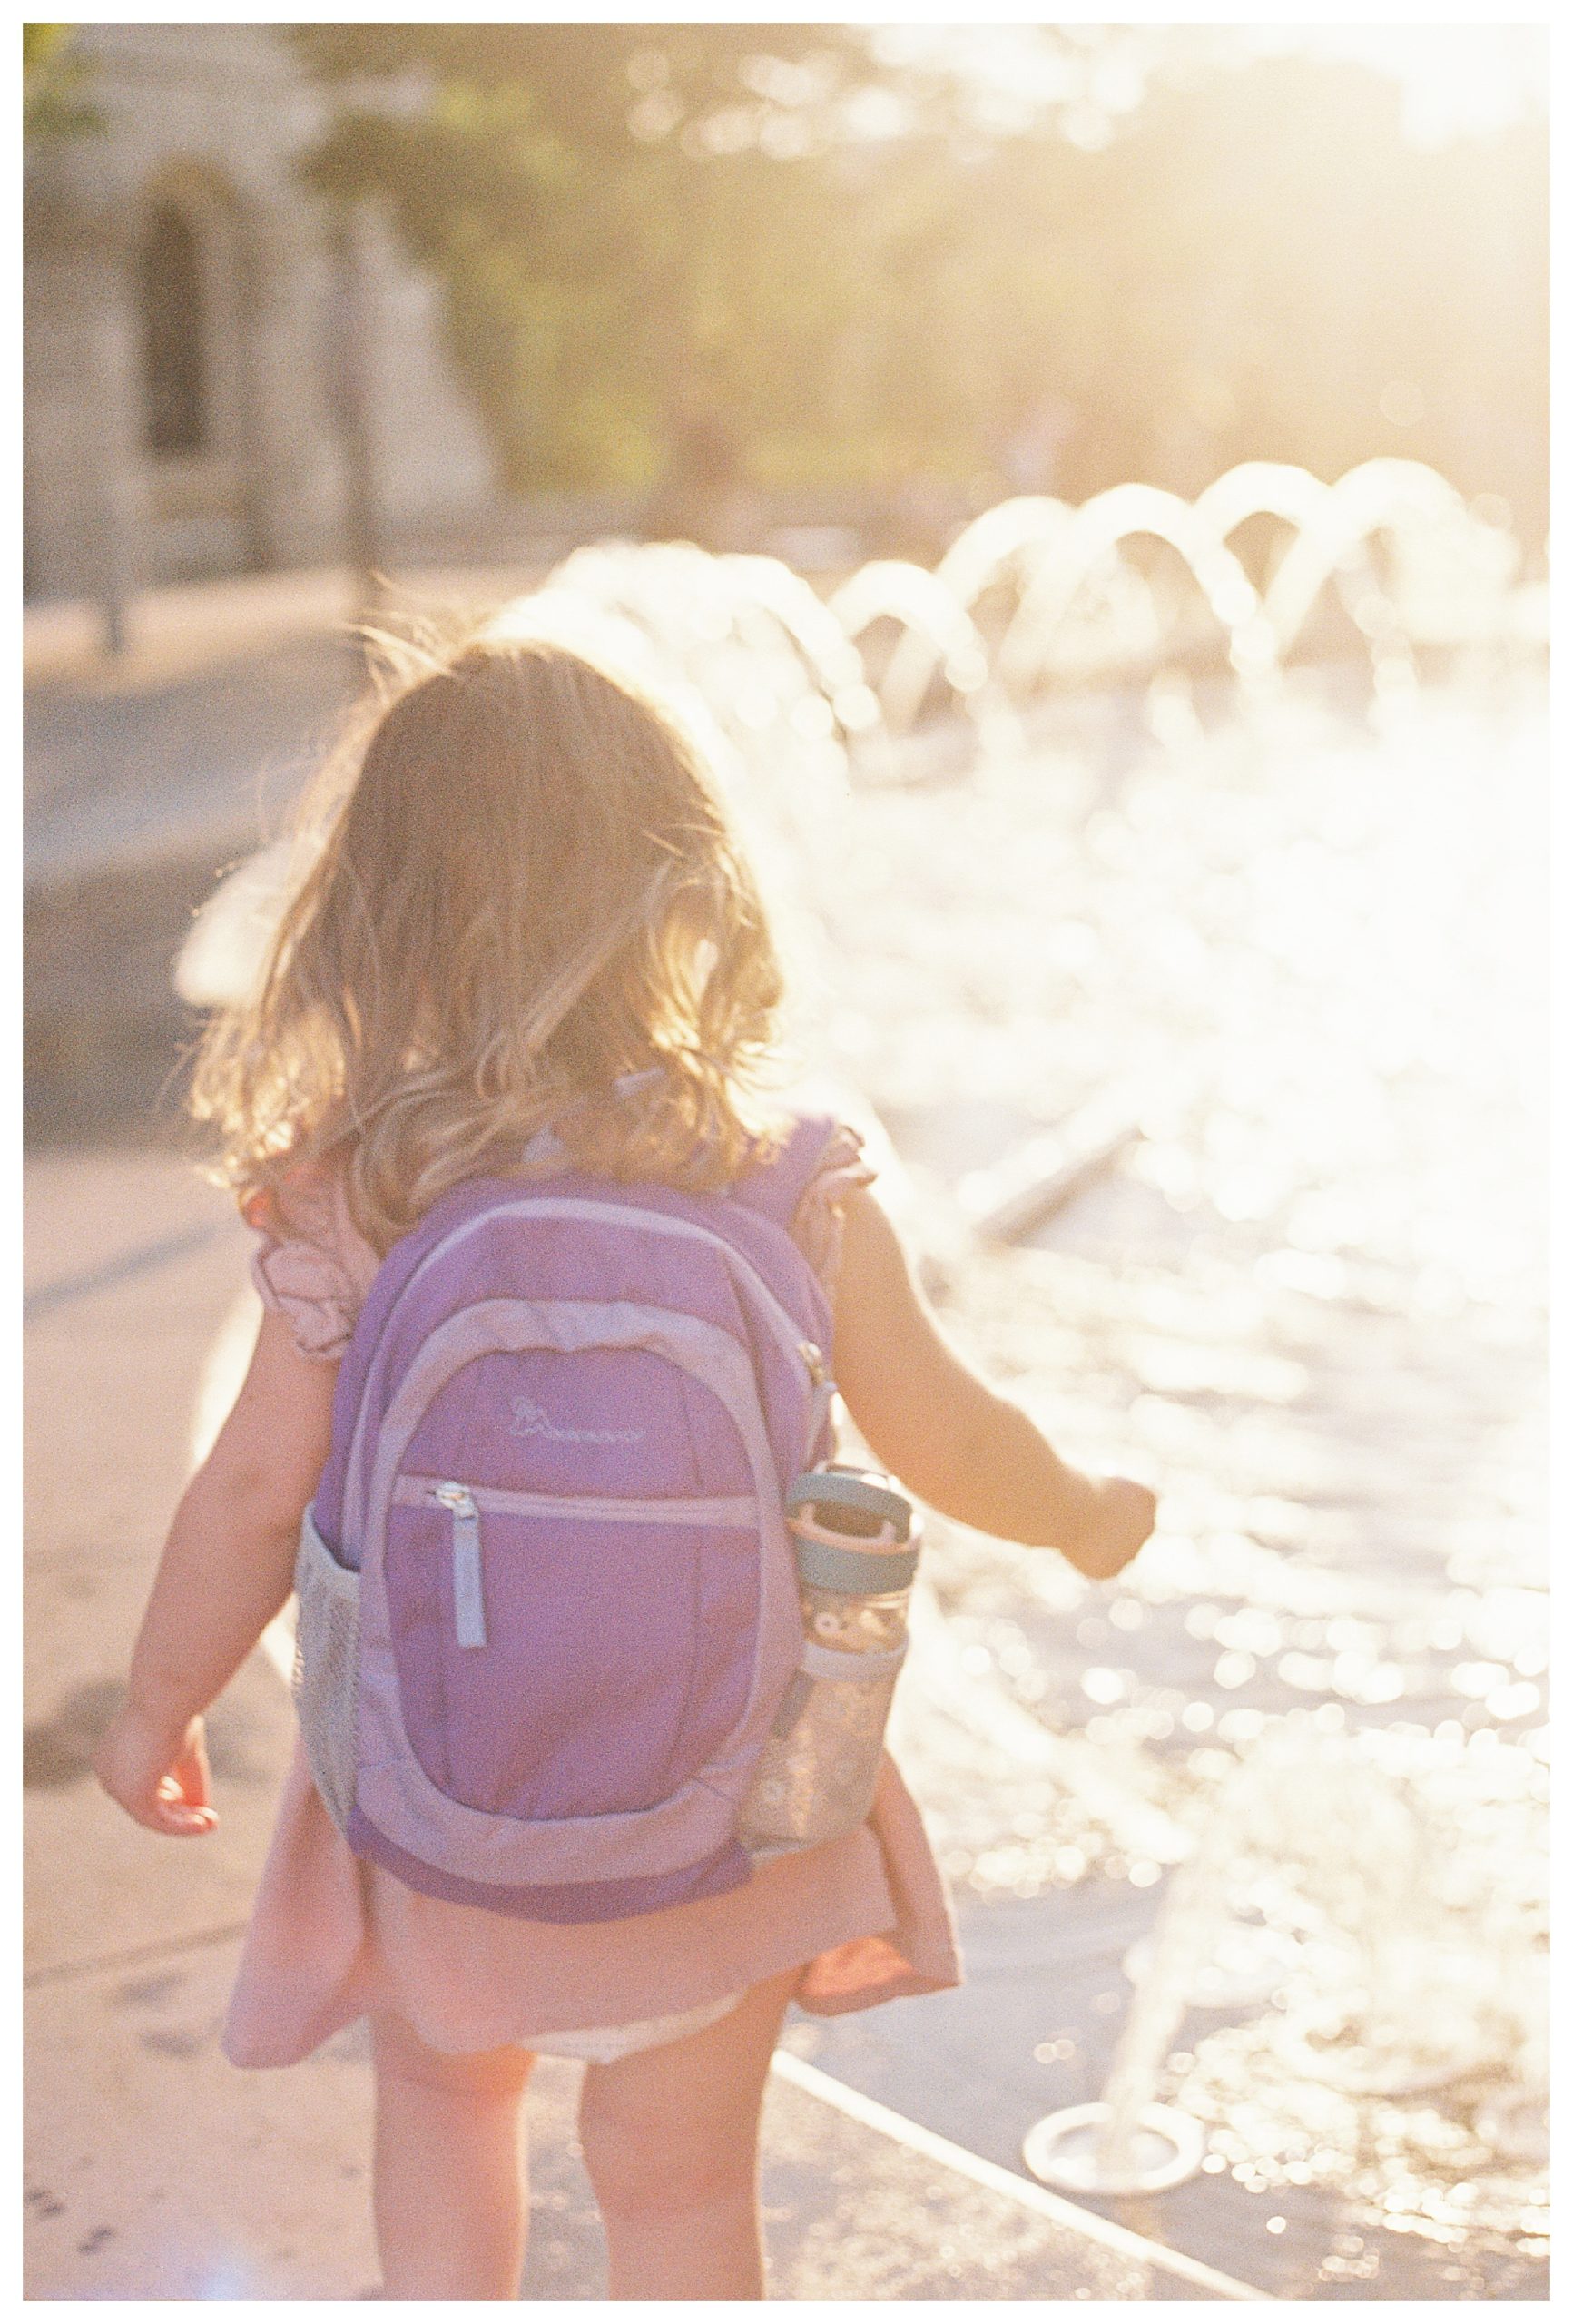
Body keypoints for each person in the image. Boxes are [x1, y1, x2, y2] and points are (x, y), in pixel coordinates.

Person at [93, 631, 1156, 2300]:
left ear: (376, 918)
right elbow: (945, 1432)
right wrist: (1082, 1511)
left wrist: (156, 1703)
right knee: (674, 2192)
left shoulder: (353, 1195)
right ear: (683, 888)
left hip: (443, 1800)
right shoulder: (782, 1175)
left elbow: (244, 1498)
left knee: (447, 2114)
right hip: (726, 1815)